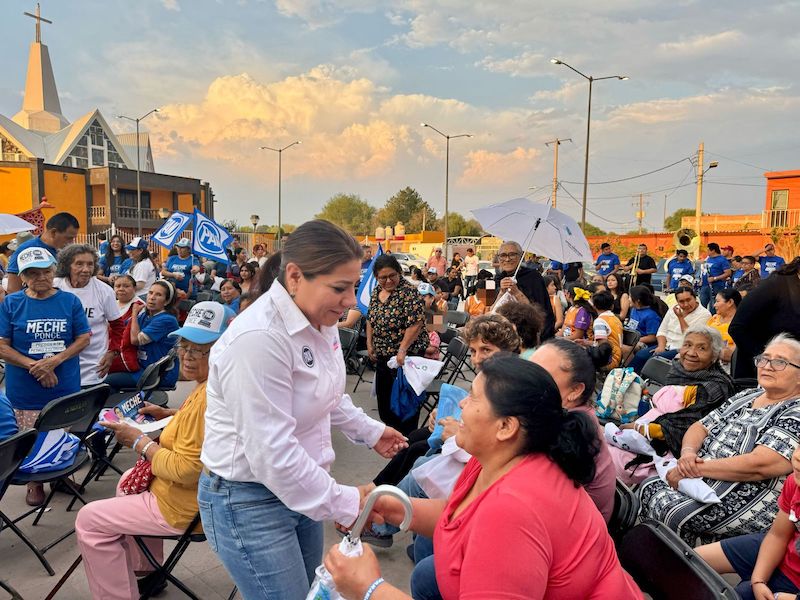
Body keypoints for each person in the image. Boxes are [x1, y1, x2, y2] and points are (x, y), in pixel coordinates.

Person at [198, 220, 407, 599]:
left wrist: (370, 431)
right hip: (250, 498)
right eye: (340, 288)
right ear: (295, 276)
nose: (349, 301)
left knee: (312, 592)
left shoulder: (317, 318)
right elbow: (272, 453)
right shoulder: (260, 340)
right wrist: (347, 503)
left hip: (306, 483)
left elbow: (326, 393)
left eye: (355, 287)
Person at [324, 354, 643, 600]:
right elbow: (459, 515)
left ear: (506, 427)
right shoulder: (497, 459)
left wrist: (368, 588)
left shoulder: (513, 510)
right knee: (426, 575)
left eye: (474, 397)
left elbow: (490, 524)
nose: (462, 402)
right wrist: (393, 505)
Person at [75, 301, 236, 600]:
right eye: (184, 347)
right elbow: (203, 428)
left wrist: (139, 442)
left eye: (200, 350)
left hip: (185, 506)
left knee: (88, 520)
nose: (187, 357)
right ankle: (148, 572)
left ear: (226, 351)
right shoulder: (216, 385)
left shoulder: (208, 396)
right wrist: (170, 414)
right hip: (196, 498)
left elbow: (187, 470)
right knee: (127, 484)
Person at [639, 333, 800, 545]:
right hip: (702, 475)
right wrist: (687, 454)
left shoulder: (795, 410)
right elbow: (700, 426)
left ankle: (674, 571)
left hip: (749, 493)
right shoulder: (747, 395)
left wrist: (693, 469)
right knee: (649, 485)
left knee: (671, 508)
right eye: (764, 358)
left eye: (779, 362)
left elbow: (762, 465)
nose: (767, 366)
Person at [0, 247, 90, 506]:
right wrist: (35, 366)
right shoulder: (12, 303)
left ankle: (61, 476)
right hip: (26, 389)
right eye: (32, 273)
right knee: (31, 435)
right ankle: (34, 482)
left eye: (45, 271)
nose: (41, 277)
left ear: (54, 272)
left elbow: (83, 337)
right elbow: (3, 345)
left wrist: (54, 361)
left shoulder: (69, 301)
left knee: (62, 434)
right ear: (23, 277)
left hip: (64, 383)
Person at [610, 325, 735, 485]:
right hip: (644, 434)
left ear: (714, 355)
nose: (691, 353)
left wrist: (639, 428)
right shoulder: (679, 371)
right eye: (687, 345)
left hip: (669, 448)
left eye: (702, 348)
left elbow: (684, 426)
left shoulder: (714, 387)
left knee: (610, 461)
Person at [696, 444, 800, 600]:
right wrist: (758, 580)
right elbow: (778, 535)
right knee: (688, 560)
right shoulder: (795, 482)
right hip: (786, 550)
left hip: (794, 584)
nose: (797, 456)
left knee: (736, 595)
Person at [531, 339, 617, 522]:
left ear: (575, 390)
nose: (526, 379)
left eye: (540, 375)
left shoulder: (573, 431)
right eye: (528, 369)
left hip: (574, 532)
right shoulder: (562, 413)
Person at [368, 253, 430, 435]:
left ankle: (405, 448)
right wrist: (370, 344)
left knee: (405, 409)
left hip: (405, 359)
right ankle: (396, 439)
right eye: (382, 277)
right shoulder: (376, 292)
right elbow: (371, 319)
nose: (388, 281)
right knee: (385, 407)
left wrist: (402, 349)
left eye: (392, 276)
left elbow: (416, 323)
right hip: (383, 357)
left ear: (399, 272)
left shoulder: (409, 292)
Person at [54, 244, 125, 387]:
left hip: (93, 365)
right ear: (67, 265)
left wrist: (113, 352)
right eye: (79, 264)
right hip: (58, 363)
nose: (86, 269)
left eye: (90, 264)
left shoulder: (104, 291)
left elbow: (118, 326)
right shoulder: (55, 287)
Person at [730, 258, 800, 379]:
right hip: (761, 372)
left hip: (792, 371)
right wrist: (764, 358)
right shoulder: (775, 285)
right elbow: (737, 327)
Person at [104, 280, 180, 390]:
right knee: (104, 373)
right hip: (141, 368)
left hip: (156, 374)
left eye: (158, 295)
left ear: (167, 301)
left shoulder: (167, 320)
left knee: (107, 381)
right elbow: (121, 327)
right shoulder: (145, 315)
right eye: (150, 293)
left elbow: (135, 340)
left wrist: (134, 313)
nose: (152, 297)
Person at [629, 286, 711, 373]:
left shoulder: (704, 314)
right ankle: (627, 377)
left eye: (688, 300)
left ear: (695, 298)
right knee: (640, 356)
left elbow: (691, 337)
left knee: (653, 360)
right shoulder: (673, 309)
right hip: (666, 344)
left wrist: (680, 317)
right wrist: (661, 346)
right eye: (681, 302)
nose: (686, 304)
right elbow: (662, 330)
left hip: (681, 348)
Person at [494, 241, 556, 339]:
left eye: (512, 254)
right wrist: (501, 292)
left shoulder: (533, 277)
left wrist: (517, 293)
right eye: (503, 255)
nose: (507, 259)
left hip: (527, 336)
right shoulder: (497, 278)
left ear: (520, 257)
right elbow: (491, 310)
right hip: (502, 336)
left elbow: (540, 313)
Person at [5, 212, 80, 293]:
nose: (71, 242)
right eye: (69, 238)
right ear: (53, 232)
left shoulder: (63, 252)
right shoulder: (27, 249)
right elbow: (12, 289)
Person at [707, 288, 741, 369]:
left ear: (730, 302)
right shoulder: (714, 318)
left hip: (729, 365)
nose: (714, 305)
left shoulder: (740, 323)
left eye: (718, 301)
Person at [626, 285, 663, 354]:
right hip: (631, 337)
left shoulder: (651, 316)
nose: (628, 299)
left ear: (638, 301)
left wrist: (633, 340)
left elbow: (652, 337)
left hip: (643, 343)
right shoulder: (634, 309)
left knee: (626, 348)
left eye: (630, 297)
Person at [592, 290, 624, 369]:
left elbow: (603, 346)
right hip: (618, 356)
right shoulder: (616, 319)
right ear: (612, 306)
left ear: (594, 306)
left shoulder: (599, 321)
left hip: (609, 360)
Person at [699, 243, 732, 314]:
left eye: (708, 250)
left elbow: (728, 273)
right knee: (702, 305)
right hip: (705, 285)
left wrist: (715, 278)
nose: (706, 252)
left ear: (713, 250)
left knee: (713, 306)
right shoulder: (708, 259)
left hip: (717, 286)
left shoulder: (722, 260)